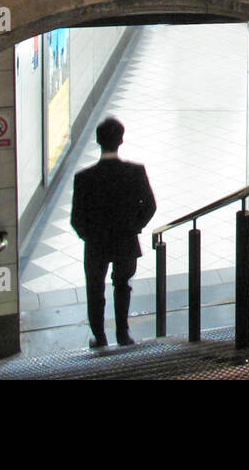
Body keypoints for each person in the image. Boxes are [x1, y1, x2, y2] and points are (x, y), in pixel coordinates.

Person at [71, 118, 156, 348]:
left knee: (95, 288)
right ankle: (122, 333)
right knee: (122, 285)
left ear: (98, 141)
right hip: (125, 241)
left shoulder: (83, 178)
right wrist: (134, 227)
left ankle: (99, 336)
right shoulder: (135, 172)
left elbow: (76, 219)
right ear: (121, 139)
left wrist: (90, 236)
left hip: (96, 244)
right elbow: (150, 206)